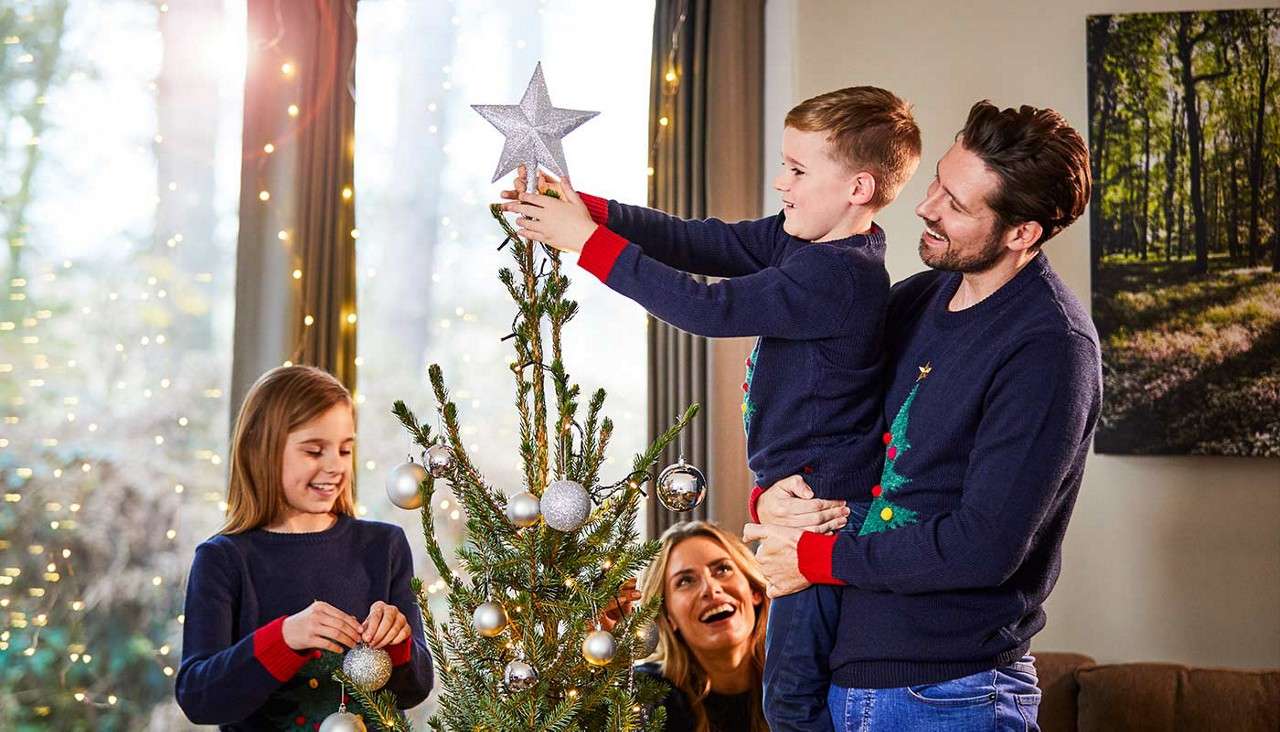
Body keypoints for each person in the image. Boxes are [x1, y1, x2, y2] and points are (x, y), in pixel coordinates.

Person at [500, 86, 922, 730]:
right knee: (795, 690)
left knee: (790, 698)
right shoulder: (805, 244)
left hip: (817, 516)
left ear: (858, 188)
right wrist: (589, 211)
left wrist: (587, 244)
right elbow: (700, 243)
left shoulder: (839, 275)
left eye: (798, 170)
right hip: (793, 507)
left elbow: (707, 306)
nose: (780, 181)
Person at [744, 100, 1099, 731]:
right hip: (844, 674)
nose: (925, 206)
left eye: (957, 205)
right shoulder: (917, 297)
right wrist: (773, 500)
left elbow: (984, 548)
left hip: (953, 695)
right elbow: (828, 429)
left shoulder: (1049, 347)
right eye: (938, 181)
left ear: (1023, 233)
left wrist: (816, 558)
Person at [175, 366, 433, 729]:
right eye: (314, 451)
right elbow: (199, 699)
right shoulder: (223, 559)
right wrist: (284, 639)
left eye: (345, 450)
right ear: (260, 449)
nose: (335, 466)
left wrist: (397, 642)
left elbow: (415, 689)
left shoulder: (383, 546)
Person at [625, 521, 770, 732]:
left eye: (722, 569)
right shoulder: (647, 695)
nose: (711, 589)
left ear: (754, 590)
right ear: (668, 617)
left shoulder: (805, 678)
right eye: (685, 581)